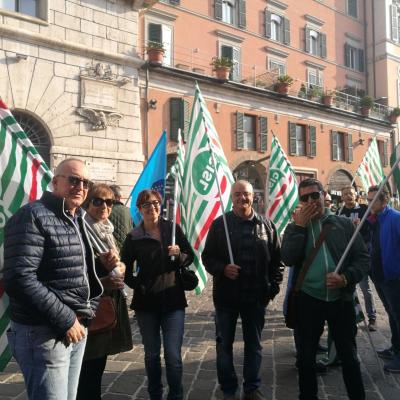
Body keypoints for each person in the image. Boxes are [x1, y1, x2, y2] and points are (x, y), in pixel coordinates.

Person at [4, 158, 103, 400]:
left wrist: (89, 307)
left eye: (85, 182)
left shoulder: (77, 217)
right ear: (55, 182)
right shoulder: (32, 216)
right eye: (74, 180)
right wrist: (67, 318)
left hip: (75, 328)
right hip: (44, 333)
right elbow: (19, 277)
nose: (80, 186)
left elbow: (71, 269)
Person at [281, 178, 369, 400]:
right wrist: (299, 227)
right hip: (309, 300)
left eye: (314, 195)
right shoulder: (295, 227)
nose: (311, 201)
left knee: (348, 355)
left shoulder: (343, 224)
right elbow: (288, 258)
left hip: (341, 300)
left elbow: (363, 258)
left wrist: (346, 277)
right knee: (306, 356)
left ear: (324, 195)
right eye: (305, 198)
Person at [202, 180, 283, 400]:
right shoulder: (221, 225)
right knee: (224, 346)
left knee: (254, 346)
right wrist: (222, 268)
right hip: (226, 297)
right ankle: (228, 388)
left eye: (245, 194)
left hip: (256, 297)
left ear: (253, 197)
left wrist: (272, 288)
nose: (242, 198)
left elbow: (278, 261)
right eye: (237, 194)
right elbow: (207, 257)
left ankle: (251, 387)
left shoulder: (267, 225)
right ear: (231, 198)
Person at [121, 189, 194, 400]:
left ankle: (176, 395)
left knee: (173, 356)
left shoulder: (172, 229)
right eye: (146, 205)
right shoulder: (134, 237)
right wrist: (138, 285)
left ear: (160, 205)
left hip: (173, 300)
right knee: (152, 355)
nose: (151, 208)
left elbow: (190, 257)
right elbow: (124, 266)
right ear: (139, 209)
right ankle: (155, 394)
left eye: (155, 203)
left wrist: (179, 254)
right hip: (146, 305)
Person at [77, 183, 133, 400]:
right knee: (87, 369)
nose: (104, 206)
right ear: (87, 202)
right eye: (98, 201)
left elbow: (117, 264)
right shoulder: (82, 229)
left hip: (107, 306)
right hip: (90, 308)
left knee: (97, 366)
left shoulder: (105, 229)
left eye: (109, 202)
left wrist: (121, 267)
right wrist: (104, 281)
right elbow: (75, 274)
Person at [367, 185, 400, 373]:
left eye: (373, 199)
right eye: (368, 199)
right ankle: (395, 348)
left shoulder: (395, 218)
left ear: (384, 201)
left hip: (394, 276)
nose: (369, 202)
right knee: (391, 314)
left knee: (399, 315)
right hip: (379, 275)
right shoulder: (373, 218)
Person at [337, 185, 377, 331]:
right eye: (345, 194)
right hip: (345, 256)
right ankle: (351, 315)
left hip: (360, 255)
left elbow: (372, 229)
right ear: (341, 197)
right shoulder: (339, 212)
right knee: (348, 288)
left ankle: (372, 317)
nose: (348, 196)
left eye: (351, 193)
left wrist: (362, 228)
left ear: (356, 195)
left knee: (365, 288)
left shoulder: (364, 210)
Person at [108, 184, 134, 251]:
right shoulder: (130, 211)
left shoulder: (105, 211)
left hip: (111, 252)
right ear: (120, 197)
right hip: (128, 251)